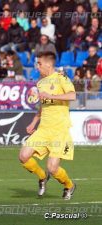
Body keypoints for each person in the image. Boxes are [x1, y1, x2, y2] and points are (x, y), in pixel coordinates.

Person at [19, 51, 76, 200]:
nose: (37, 66)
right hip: (43, 129)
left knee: (53, 167)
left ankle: (69, 185)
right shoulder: (40, 82)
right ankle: (42, 177)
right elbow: (43, 106)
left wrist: (51, 96)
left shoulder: (61, 78)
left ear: (49, 64)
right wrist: (33, 122)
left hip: (59, 131)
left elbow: (72, 95)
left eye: (39, 63)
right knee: (24, 156)